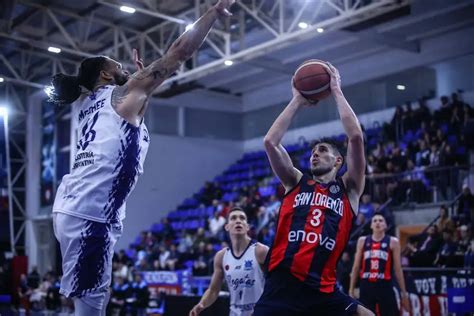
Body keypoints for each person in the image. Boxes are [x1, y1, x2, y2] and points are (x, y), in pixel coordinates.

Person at [48, 1, 235, 315]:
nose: (124, 68)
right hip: (90, 213)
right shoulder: (123, 94)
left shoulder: (87, 104)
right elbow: (178, 53)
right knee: (92, 300)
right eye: (118, 65)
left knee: (89, 295)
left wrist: (138, 79)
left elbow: (127, 114)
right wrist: (213, 13)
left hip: (75, 206)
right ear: (106, 74)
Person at [254, 62, 372, 315]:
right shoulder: (295, 181)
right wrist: (297, 100)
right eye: (313, 152)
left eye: (322, 151)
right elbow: (270, 142)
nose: (314, 155)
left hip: (323, 290)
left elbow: (355, 138)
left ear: (338, 161)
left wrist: (336, 90)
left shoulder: (349, 189)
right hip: (282, 288)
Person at [189, 207, 269, 316]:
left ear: (247, 227)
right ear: (227, 227)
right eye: (233, 218)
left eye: (242, 218)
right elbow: (213, 290)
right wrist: (201, 304)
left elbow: (277, 284)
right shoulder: (221, 257)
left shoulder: (260, 251)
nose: (238, 220)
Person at [349, 213, 410, 315]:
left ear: (385, 225)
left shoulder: (393, 241)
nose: (378, 222)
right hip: (366, 285)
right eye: (375, 220)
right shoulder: (362, 241)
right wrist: (351, 289)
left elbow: (398, 269)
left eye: (381, 221)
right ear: (371, 225)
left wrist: (404, 294)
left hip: (385, 285)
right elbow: (355, 267)